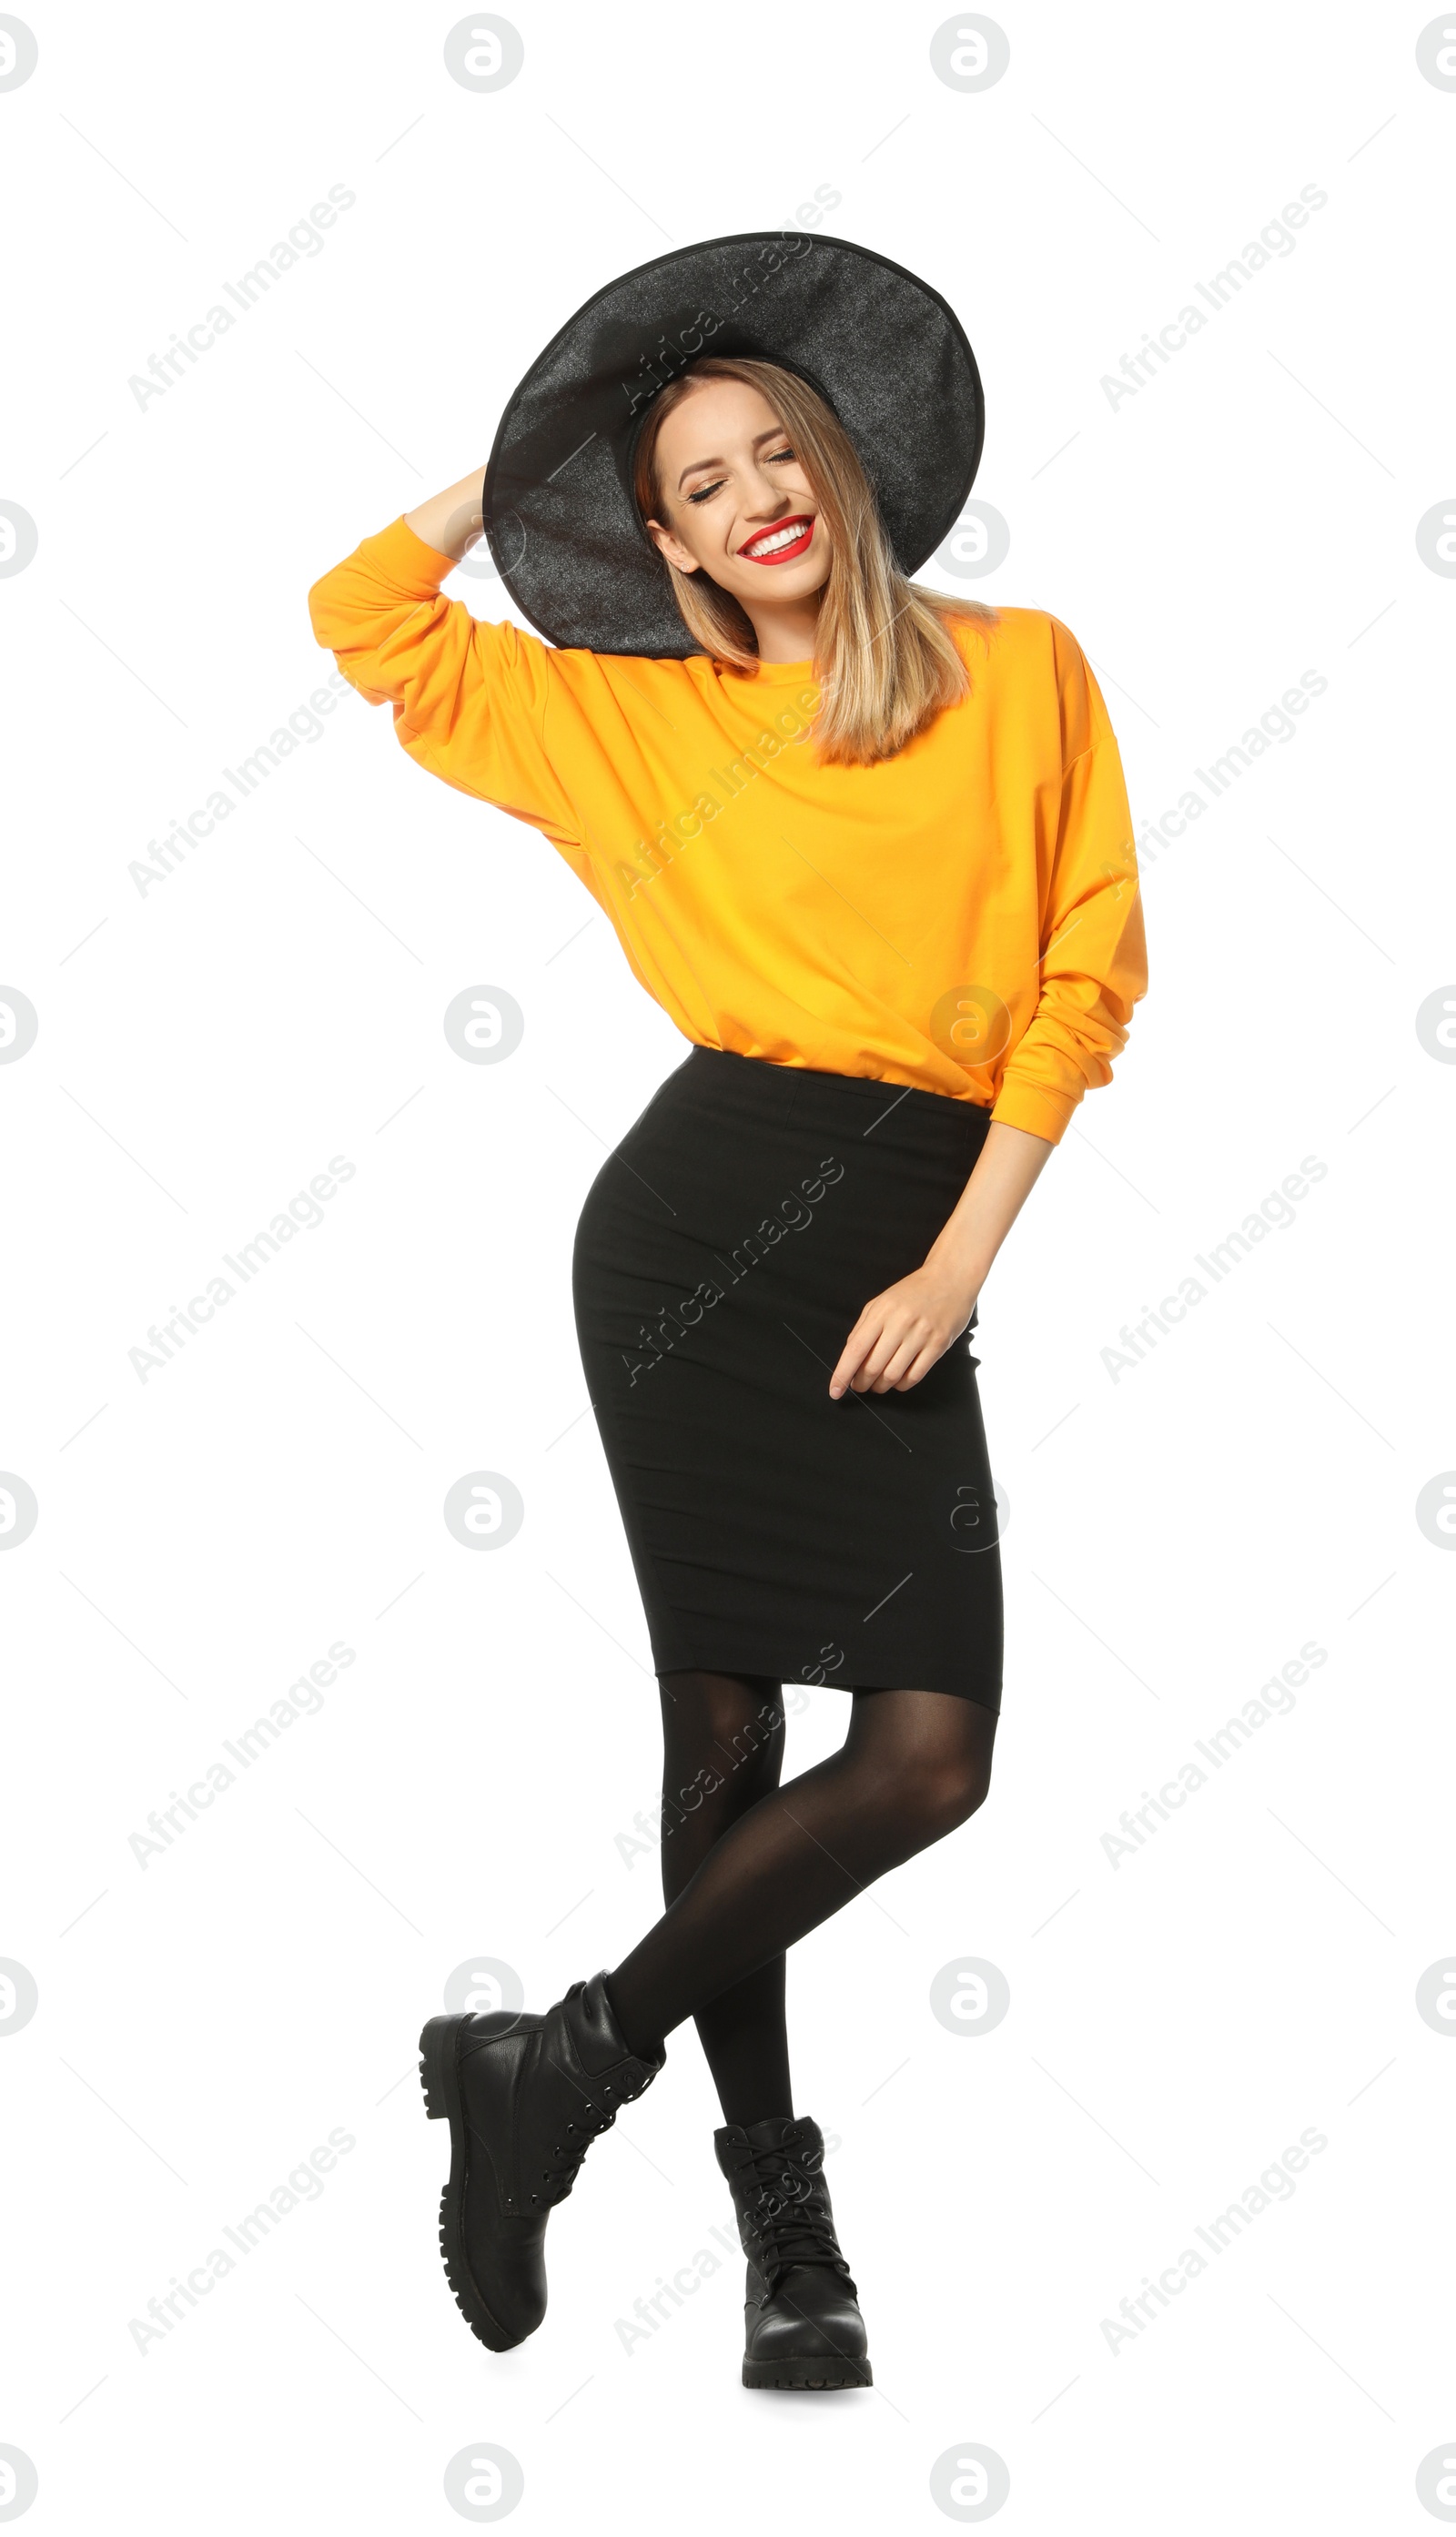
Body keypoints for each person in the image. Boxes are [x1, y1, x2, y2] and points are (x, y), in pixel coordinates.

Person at [308, 232, 1148, 2394]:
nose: (754, 496)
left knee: (927, 1754)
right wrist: (533, 448)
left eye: (778, 451)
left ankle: (557, 2061)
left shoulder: (1024, 666)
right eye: (695, 482)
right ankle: (784, 2220)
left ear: (842, 466)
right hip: (694, 1235)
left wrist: (960, 1260)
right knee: (721, 1739)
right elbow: (361, 621)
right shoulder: (623, 718)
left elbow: (1083, 977)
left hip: (905, 1223)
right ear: (655, 532)